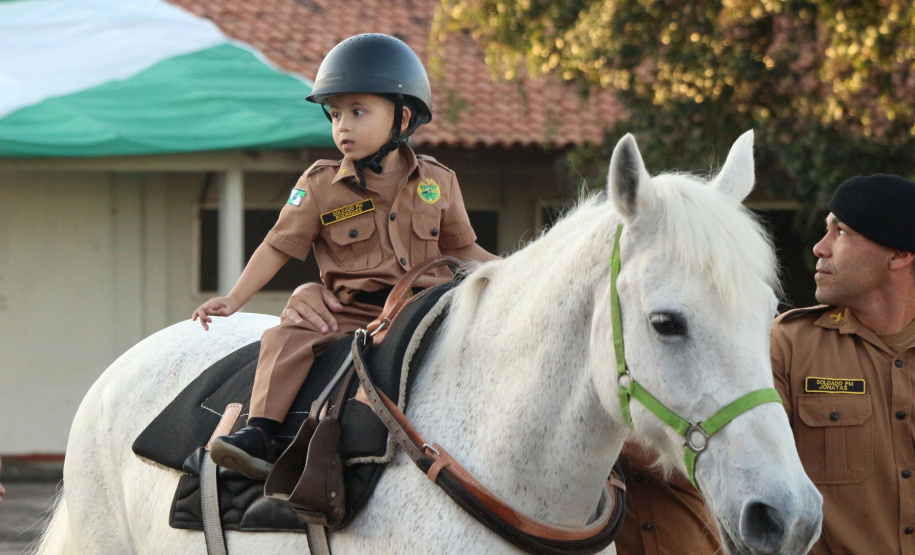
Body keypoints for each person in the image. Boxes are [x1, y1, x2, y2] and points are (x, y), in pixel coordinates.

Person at [192, 33, 498, 480]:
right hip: (350, 314)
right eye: (335, 115)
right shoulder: (319, 186)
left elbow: (461, 249)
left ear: (403, 117)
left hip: (428, 310)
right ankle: (259, 433)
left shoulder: (439, 181)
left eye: (358, 112)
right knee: (288, 336)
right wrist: (233, 300)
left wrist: (512, 271)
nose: (343, 127)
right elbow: (277, 244)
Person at [771, 173, 915, 554]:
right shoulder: (786, 345)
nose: (820, 248)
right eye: (826, 231)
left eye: (842, 232)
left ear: (899, 254)